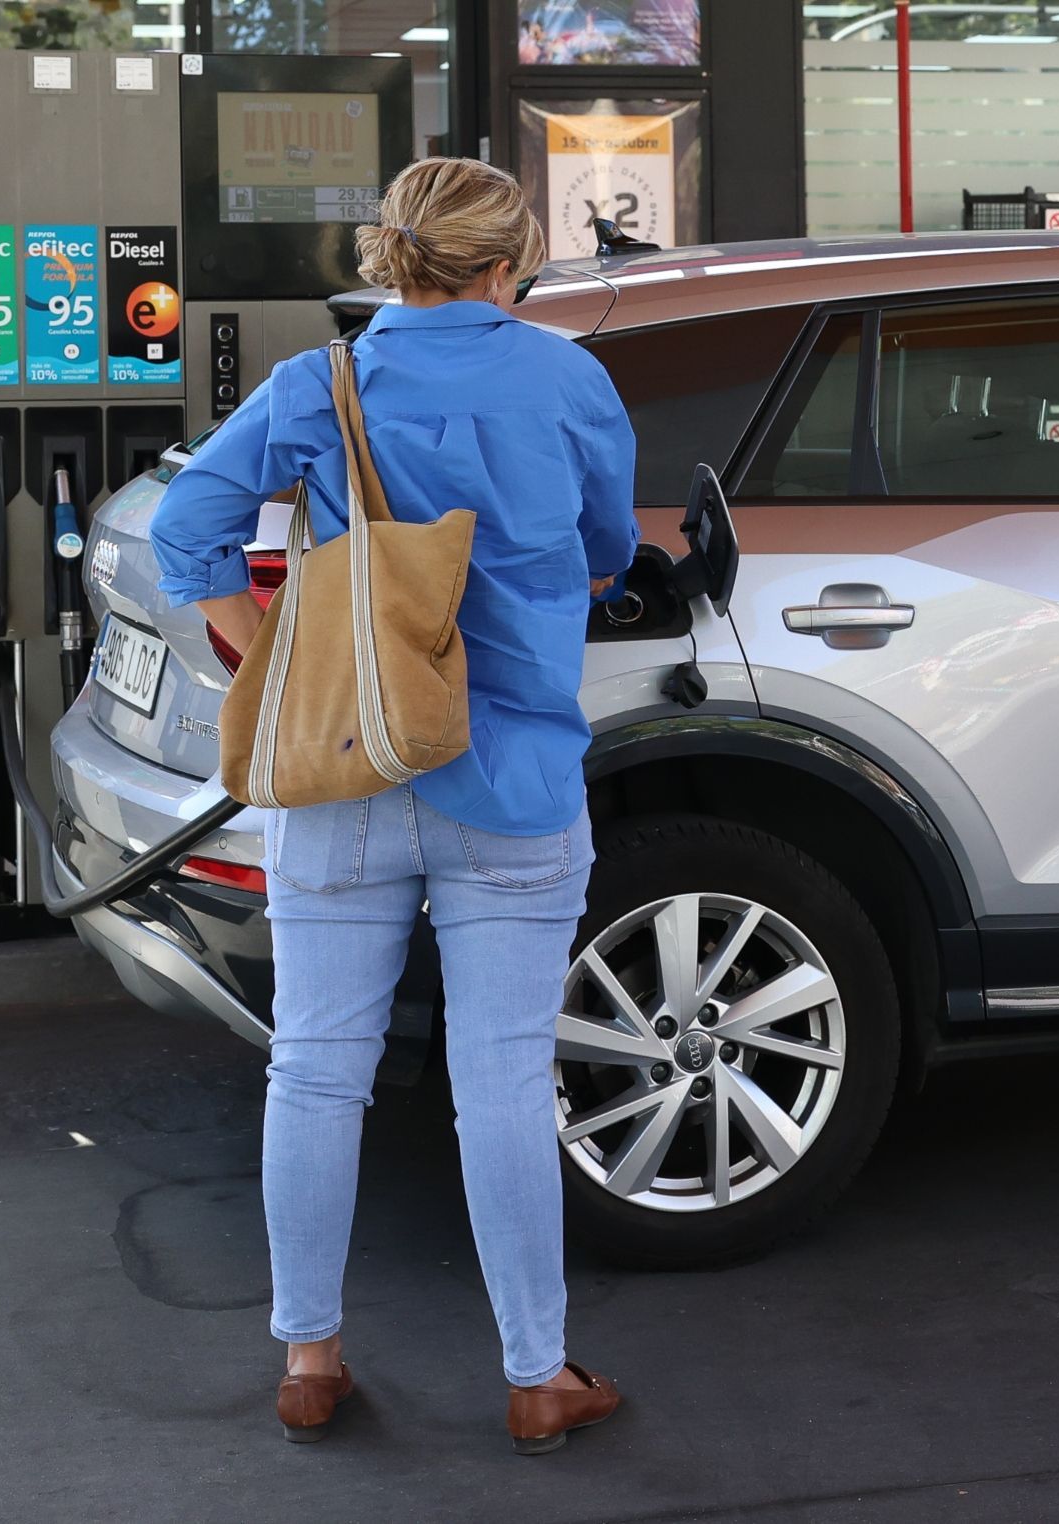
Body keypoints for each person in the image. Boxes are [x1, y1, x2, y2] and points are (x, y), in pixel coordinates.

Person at [147, 156, 639, 1455]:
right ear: (507, 262)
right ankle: (538, 1374)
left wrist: (256, 649)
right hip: (512, 776)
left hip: (349, 767)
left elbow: (187, 523)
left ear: (394, 258)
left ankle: (310, 1359)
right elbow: (605, 550)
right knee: (500, 1082)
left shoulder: (324, 383)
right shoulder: (568, 379)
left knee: (315, 1069)